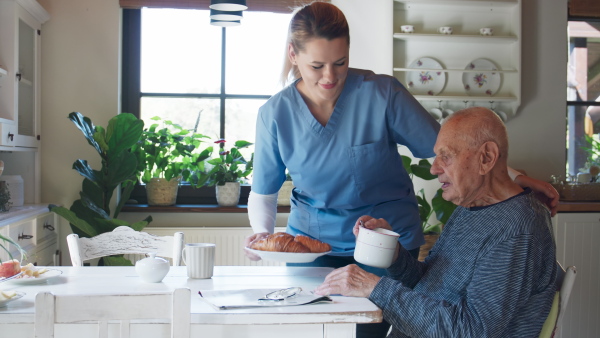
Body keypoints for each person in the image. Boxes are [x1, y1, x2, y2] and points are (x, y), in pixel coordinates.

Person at [244, 2, 558, 337]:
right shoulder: (275, 114)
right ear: (293, 55)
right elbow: (263, 192)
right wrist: (263, 237)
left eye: (340, 63)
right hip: (313, 247)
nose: (330, 76)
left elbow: (451, 149)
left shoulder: (381, 94)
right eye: (317, 65)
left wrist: (517, 180)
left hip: (382, 242)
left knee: (373, 330)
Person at [314, 107, 558, 338]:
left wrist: (375, 288)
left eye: (446, 156)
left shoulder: (518, 229)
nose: (433, 168)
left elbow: (471, 330)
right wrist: (392, 253)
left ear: (486, 157)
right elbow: (429, 283)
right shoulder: (472, 207)